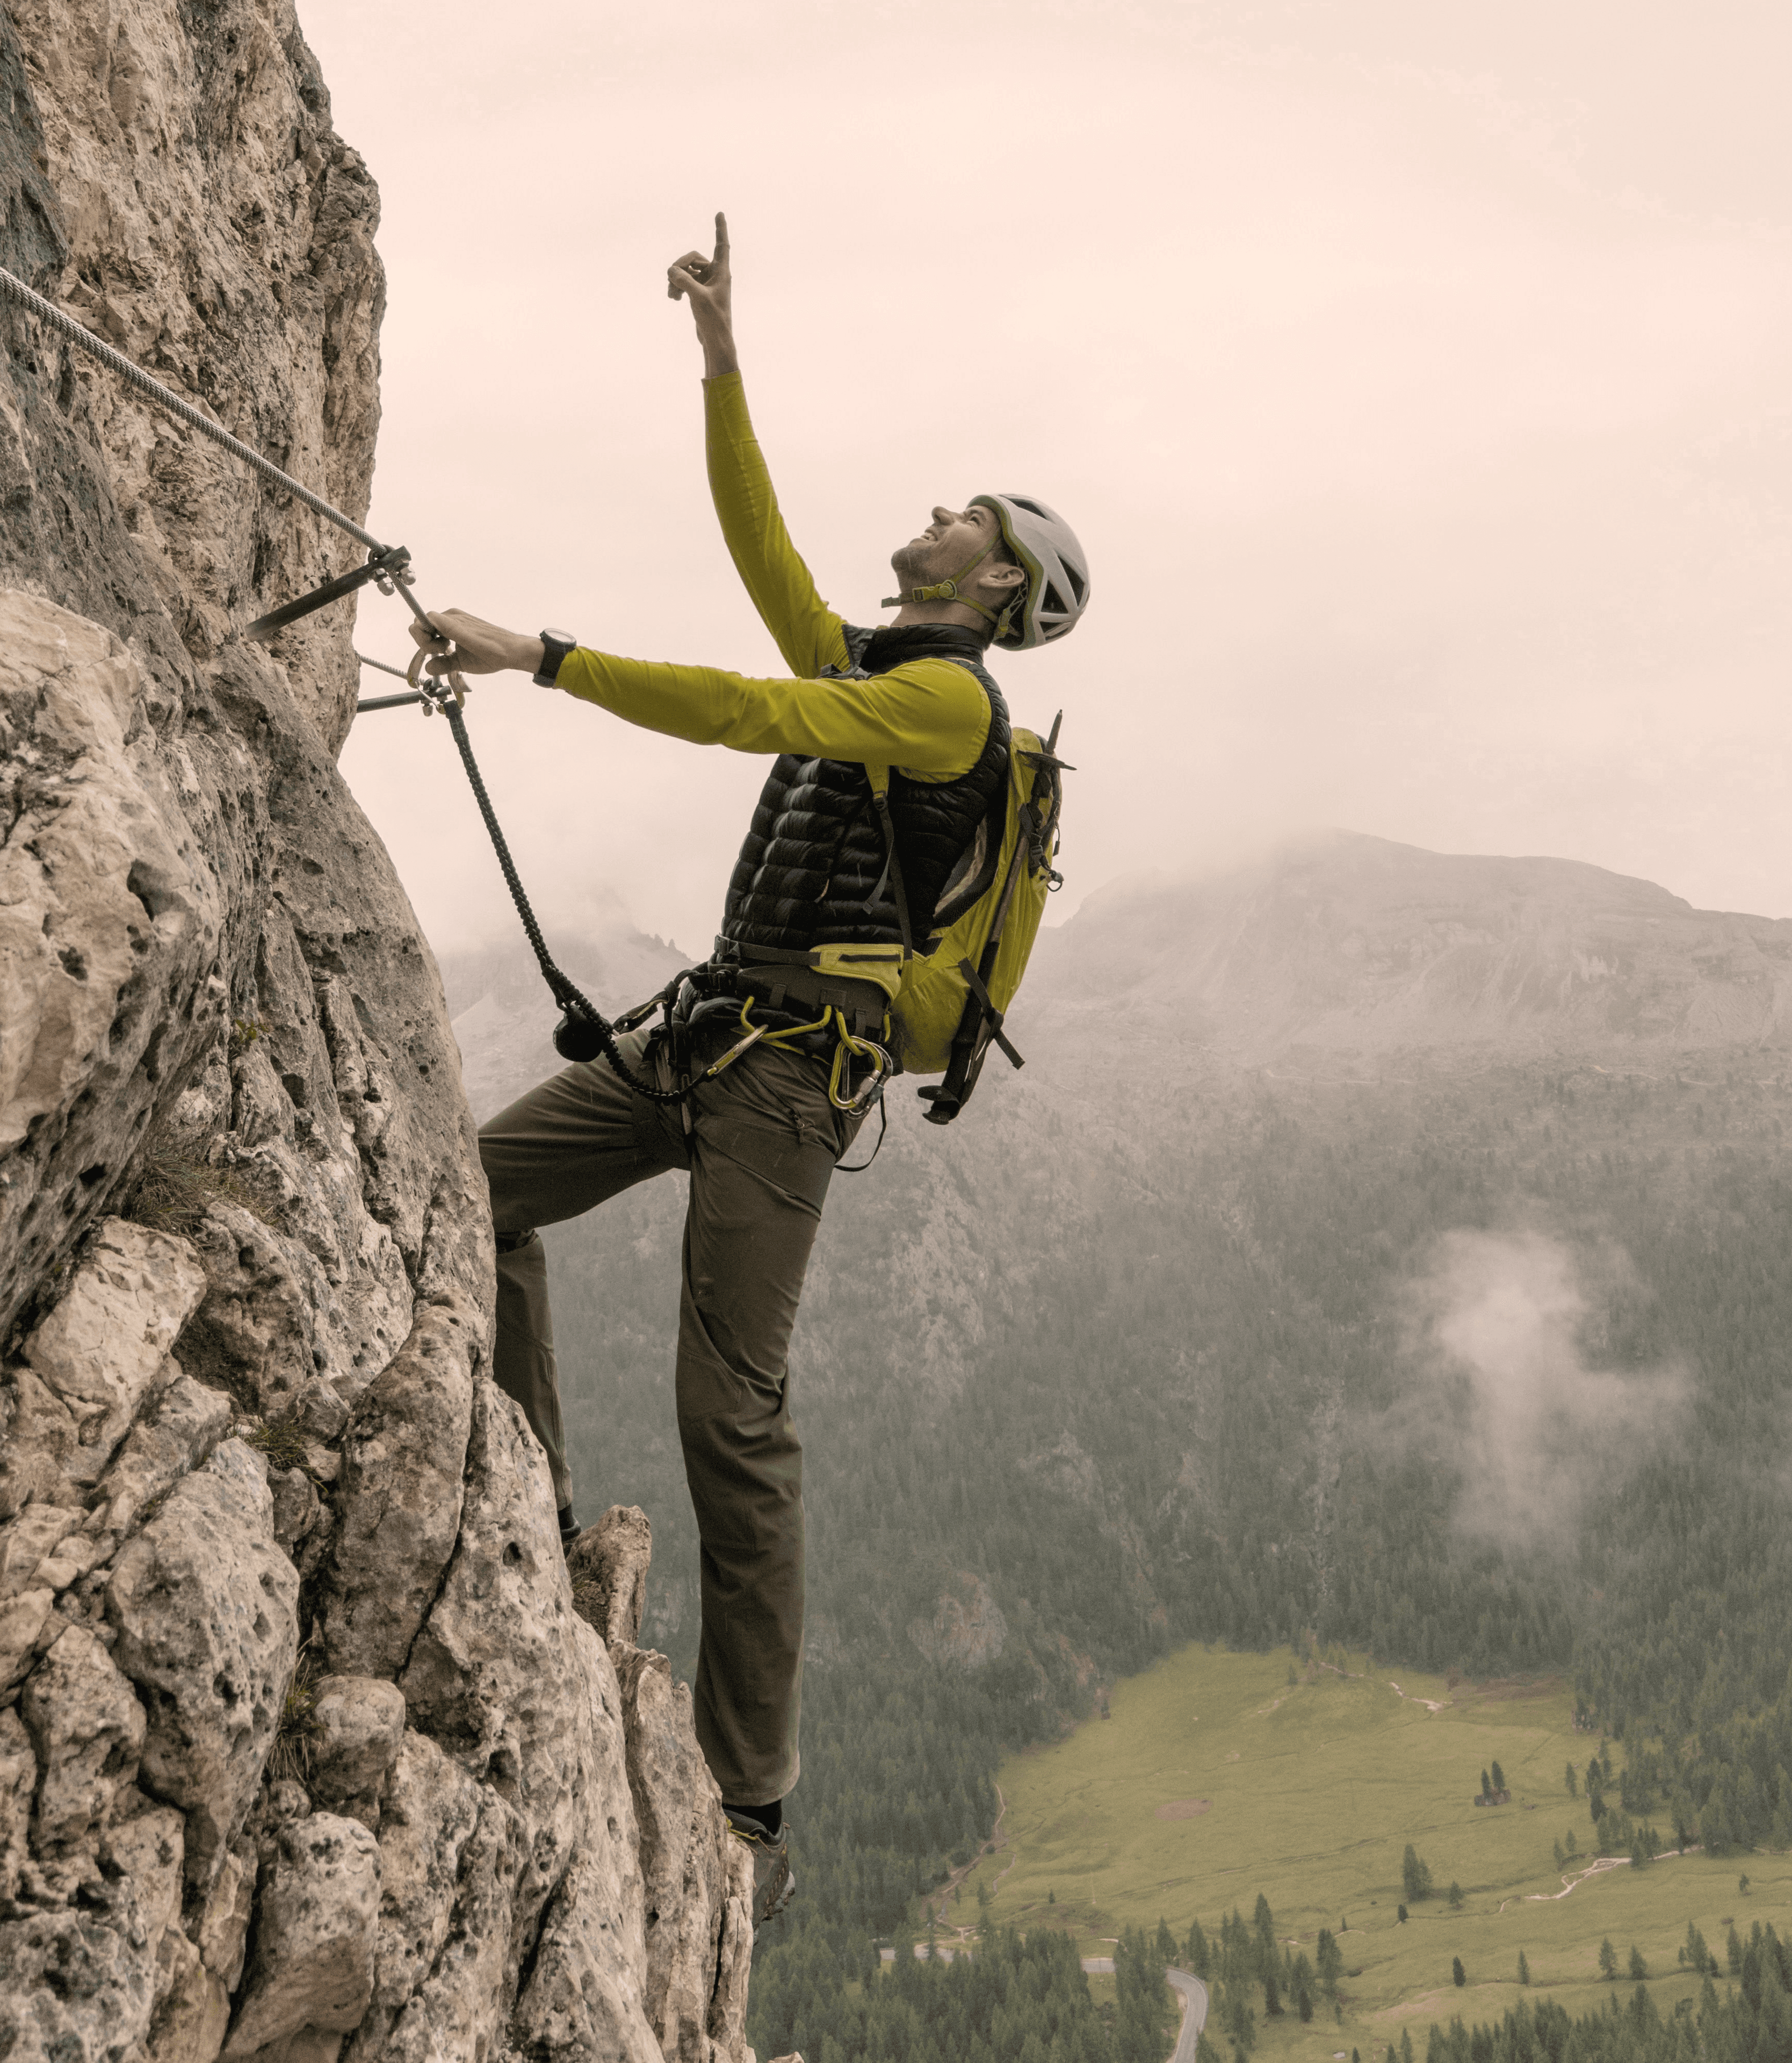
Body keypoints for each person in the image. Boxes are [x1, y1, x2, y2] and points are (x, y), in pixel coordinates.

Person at [406, 214, 1089, 1927]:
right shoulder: (875, 659)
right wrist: (721, 359)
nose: (939, 517)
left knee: (734, 1412)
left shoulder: (949, 714)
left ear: (997, 584)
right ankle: (529, 1507)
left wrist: (537, 655)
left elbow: (734, 709)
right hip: (707, 1034)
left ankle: (752, 1794)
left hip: (791, 1079)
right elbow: (762, 556)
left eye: (971, 518)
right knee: (470, 1190)